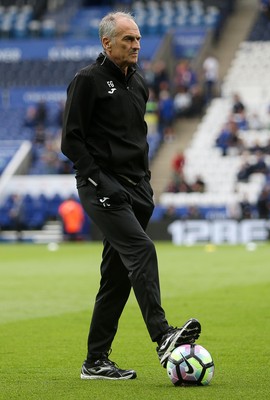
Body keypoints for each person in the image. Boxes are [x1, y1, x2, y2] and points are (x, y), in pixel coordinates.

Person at [61, 11, 201, 381]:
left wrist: (145, 184)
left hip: (137, 189)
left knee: (117, 277)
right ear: (107, 43)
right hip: (102, 187)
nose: (136, 45)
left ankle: (95, 361)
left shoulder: (139, 83)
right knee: (142, 250)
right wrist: (100, 182)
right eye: (128, 40)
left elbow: (138, 138)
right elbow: (70, 141)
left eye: (138, 39)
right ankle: (163, 336)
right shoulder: (87, 81)